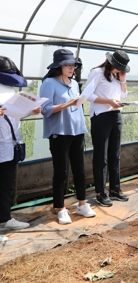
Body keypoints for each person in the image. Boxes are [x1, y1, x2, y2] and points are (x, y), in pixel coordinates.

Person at [40, 49, 96, 224]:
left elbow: (77, 105)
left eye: (73, 65)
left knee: (80, 170)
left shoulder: (74, 84)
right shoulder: (49, 83)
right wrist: (65, 105)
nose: (72, 68)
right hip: (59, 133)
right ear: (59, 66)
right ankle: (60, 208)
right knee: (61, 172)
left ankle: (82, 204)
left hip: (77, 131)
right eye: (68, 65)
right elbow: (45, 109)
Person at [0, 56, 41, 234]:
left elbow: (14, 115)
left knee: (6, 184)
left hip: (11, 144)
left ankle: (5, 219)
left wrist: (30, 111)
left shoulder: (10, 90)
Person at [86, 50, 131, 207]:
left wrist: (123, 80)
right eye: (119, 67)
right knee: (101, 157)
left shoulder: (117, 76)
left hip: (116, 115)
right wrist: (108, 101)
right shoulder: (97, 73)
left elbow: (123, 96)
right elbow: (87, 95)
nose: (120, 70)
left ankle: (115, 189)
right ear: (111, 62)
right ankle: (100, 192)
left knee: (115, 154)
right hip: (101, 117)